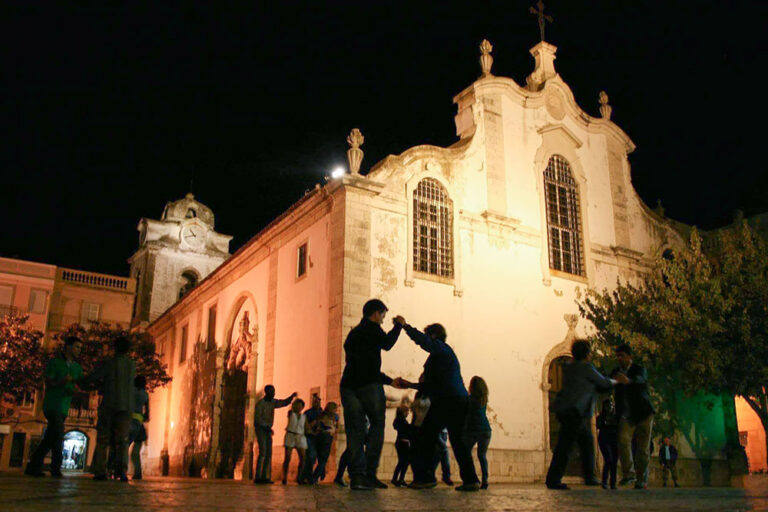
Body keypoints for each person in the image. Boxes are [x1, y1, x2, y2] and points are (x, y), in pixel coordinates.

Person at [393, 320, 480, 492]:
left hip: (448, 401)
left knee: (425, 435)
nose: (426, 339)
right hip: (454, 400)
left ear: (433, 336)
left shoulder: (441, 349)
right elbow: (432, 384)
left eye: (428, 336)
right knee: (456, 441)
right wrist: (411, 384)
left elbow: (425, 344)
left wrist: (406, 327)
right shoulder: (442, 354)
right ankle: (471, 480)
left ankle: (426, 478)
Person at [339, 298, 404, 490]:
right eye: (383, 315)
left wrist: (389, 380)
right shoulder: (372, 329)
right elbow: (387, 344)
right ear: (376, 313)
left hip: (349, 385)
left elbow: (361, 364)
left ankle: (357, 476)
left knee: (355, 430)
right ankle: (369, 473)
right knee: (377, 425)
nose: (383, 320)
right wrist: (399, 326)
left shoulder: (353, 334)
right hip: (368, 386)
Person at [545, 339, 626, 490]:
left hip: (567, 410)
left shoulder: (569, 368)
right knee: (567, 446)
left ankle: (588, 476)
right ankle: (556, 479)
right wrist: (616, 381)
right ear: (587, 353)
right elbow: (603, 382)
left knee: (584, 441)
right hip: (576, 411)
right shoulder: (586, 367)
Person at [25, 336, 84, 478]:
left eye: (80, 348)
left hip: (64, 406)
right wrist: (62, 381)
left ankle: (34, 466)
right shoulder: (54, 363)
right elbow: (49, 383)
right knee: (58, 434)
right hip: (52, 404)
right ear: (68, 347)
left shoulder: (77, 368)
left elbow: (79, 385)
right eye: (76, 347)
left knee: (52, 437)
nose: (79, 350)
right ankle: (55, 468)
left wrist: (75, 390)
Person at [86, 335, 137, 482]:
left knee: (103, 439)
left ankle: (100, 471)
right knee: (123, 441)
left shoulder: (110, 363)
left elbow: (95, 377)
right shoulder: (132, 365)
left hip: (109, 404)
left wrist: (82, 381)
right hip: (127, 406)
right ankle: (121, 472)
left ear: (115, 348)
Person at [611, 343, 655, 490]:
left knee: (643, 449)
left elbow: (641, 380)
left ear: (629, 357)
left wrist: (628, 381)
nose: (619, 359)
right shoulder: (616, 371)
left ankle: (642, 479)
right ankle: (629, 473)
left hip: (643, 413)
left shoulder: (639, 369)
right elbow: (607, 382)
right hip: (626, 414)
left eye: (622, 356)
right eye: (617, 356)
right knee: (623, 441)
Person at [253, 385, 297, 483]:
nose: (274, 393)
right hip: (261, 429)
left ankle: (266, 476)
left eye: (274, 391)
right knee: (263, 452)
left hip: (268, 429)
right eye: (272, 392)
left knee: (269, 453)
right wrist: (266, 428)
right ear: (267, 392)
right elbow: (257, 420)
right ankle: (258, 476)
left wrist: (291, 397)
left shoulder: (273, 402)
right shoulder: (260, 404)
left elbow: (283, 403)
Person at [463, 376, 492, 490]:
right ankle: (485, 479)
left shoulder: (471, 400)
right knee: (482, 455)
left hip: (475, 430)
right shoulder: (483, 399)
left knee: (465, 452)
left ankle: (472, 478)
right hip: (486, 430)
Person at [311, 402, 339, 483]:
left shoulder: (321, 415)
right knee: (324, 458)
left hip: (319, 437)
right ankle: (315, 476)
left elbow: (317, 425)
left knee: (321, 457)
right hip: (327, 437)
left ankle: (320, 474)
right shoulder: (335, 417)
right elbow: (336, 427)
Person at [129, 375, 150, 480]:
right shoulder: (145, 394)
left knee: (123, 447)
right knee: (135, 452)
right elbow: (147, 414)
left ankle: (117, 470)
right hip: (139, 424)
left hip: (128, 421)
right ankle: (138, 473)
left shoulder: (130, 392)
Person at [282, 398, 307, 484]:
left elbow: (306, 427)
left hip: (300, 436)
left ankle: (299, 477)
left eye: (300, 406)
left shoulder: (304, 417)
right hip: (290, 435)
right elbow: (290, 409)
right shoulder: (291, 413)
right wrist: (294, 398)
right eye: (297, 405)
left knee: (303, 458)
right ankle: (284, 477)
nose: (298, 407)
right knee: (288, 458)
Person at [596, 398, 619, 489]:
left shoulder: (616, 417)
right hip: (604, 439)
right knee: (608, 459)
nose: (610, 407)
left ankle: (613, 482)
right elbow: (599, 426)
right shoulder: (601, 417)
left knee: (614, 461)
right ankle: (604, 481)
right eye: (608, 406)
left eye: (611, 405)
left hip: (614, 440)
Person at [301, 394, 323, 483]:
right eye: (315, 401)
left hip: (320, 437)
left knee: (319, 458)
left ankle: (315, 476)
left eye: (318, 401)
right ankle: (307, 476)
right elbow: (305, 426)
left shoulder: (323, 412)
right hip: (310, 437)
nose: (316, 403)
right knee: (311, 456)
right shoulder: (308, 413)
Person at [391, 404, 413, 487]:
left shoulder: (399, 420)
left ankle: (396, 478)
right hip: (403, 443)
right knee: (405, 462)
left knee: (402, 462)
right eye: (407, 411)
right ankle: (400, 479)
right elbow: (407, 430)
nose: (408, 413)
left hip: (400, 442)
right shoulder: (402, 421)